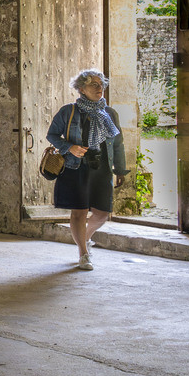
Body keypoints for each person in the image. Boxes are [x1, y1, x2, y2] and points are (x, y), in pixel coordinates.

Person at [46, 69, 128, 269]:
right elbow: (52, 135)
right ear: (81, 89)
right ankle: (83, 253)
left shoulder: (109, 113)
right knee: (79, 212)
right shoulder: (68, 111)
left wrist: (120, 169)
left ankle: (84, 238)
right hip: (76, 167)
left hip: (102, 167)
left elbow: (118, 143)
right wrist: (69, 147)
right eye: (94, 85)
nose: (100, 89)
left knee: (102, 213)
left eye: (102, 85)